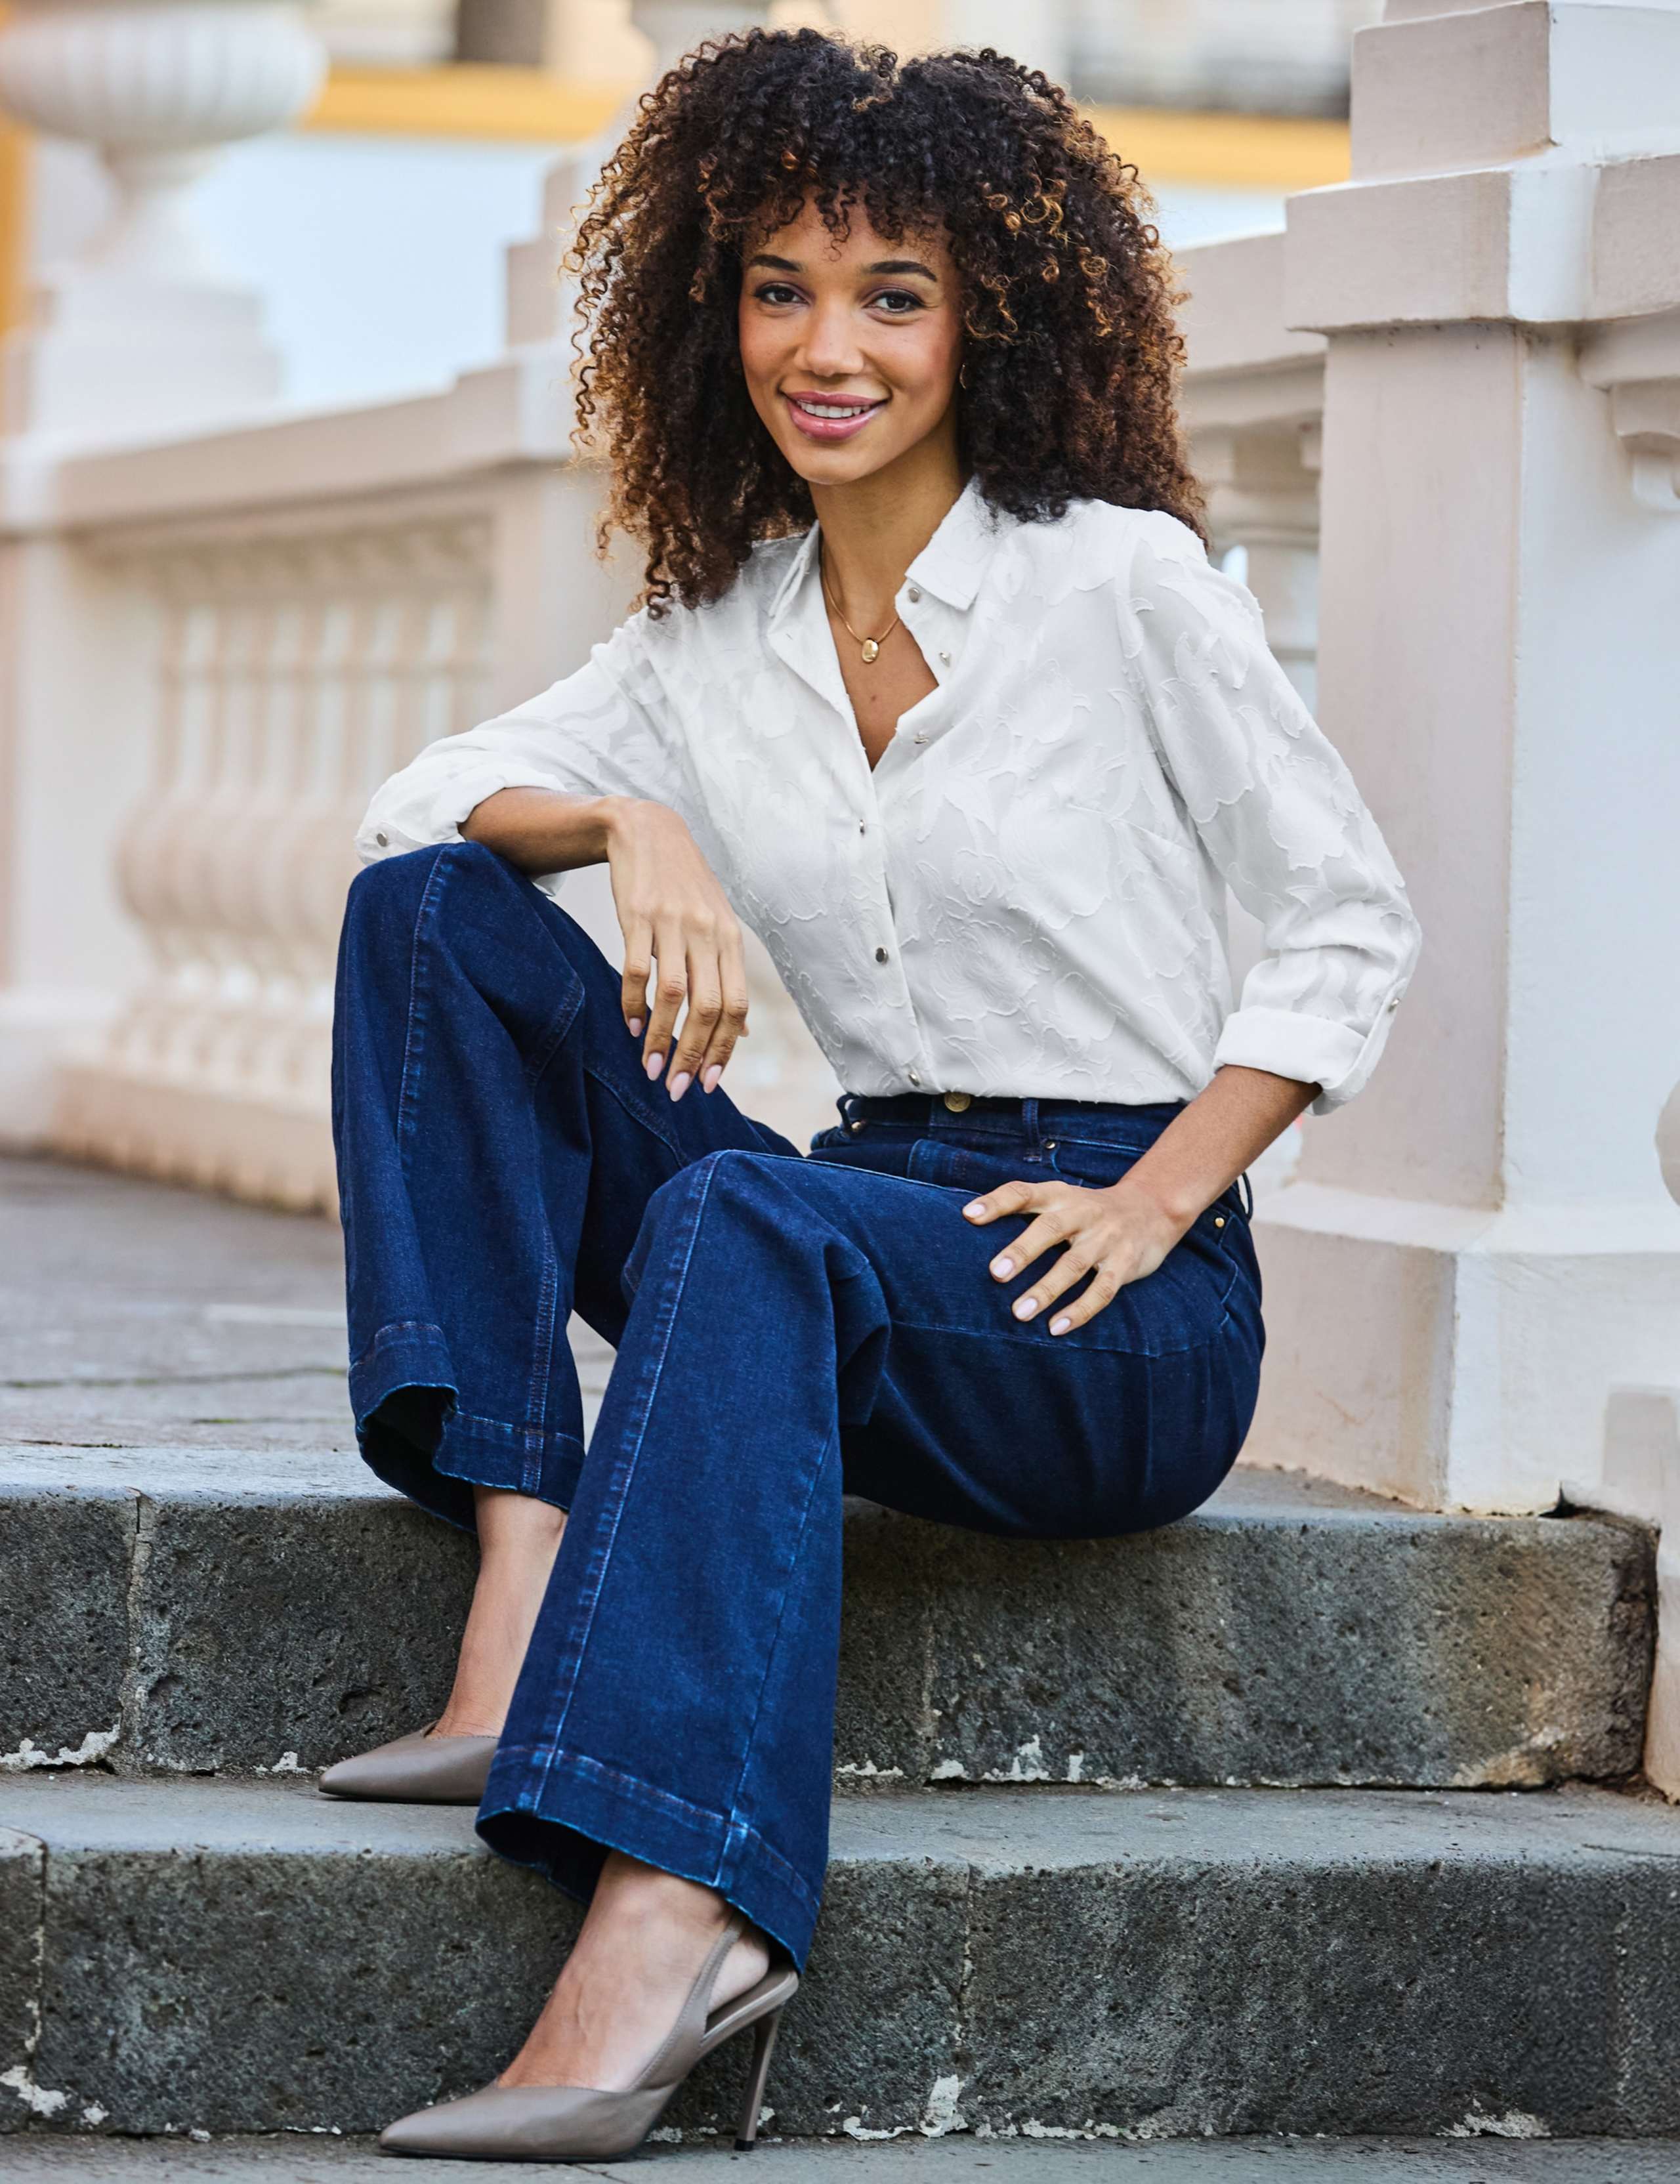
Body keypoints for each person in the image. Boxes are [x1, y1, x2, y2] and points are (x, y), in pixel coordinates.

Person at [324, 28, 1421, 2163]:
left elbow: (1346, 921)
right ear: (713, 312)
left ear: (986, 321)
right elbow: (417, 804)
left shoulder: (1117, 583)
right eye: (780, 290)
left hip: (1110, 1297)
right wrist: (630, 824)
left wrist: (1164, 1197)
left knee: (747, 1215)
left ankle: (678, 1916)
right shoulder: (714, 636)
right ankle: (524, 1553)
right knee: (434, 913)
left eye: (892, 296)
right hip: (855, 1221)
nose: (827, 349)